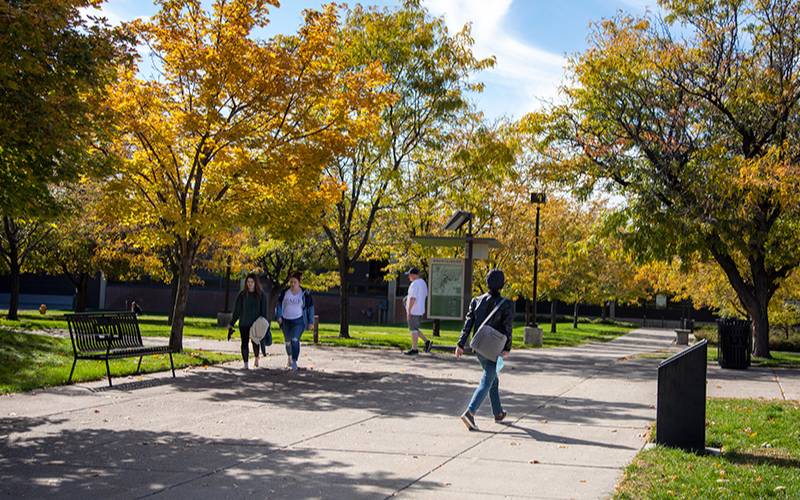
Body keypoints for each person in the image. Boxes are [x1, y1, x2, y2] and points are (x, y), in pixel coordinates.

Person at [456, 269, 514, 431]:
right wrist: (507, 348)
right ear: (502, 284)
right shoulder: (507, 304)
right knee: (487, 379)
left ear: (487, 282)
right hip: (495, 349)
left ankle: (498, 412)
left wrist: (461, 344)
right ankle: (470, 412)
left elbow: (468, 324)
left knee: (493, 379)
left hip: (479, 346)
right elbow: (508, 328)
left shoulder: (476, 301)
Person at [275, 272, 315, 373]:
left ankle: (294, 361)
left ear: (299, 282)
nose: (292, 284)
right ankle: (289, 356)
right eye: (291, 282)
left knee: (294, 339)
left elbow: (310, 308)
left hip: (299, 321)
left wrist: (311, 322)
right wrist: (278, 316)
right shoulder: (285, 293)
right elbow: (279, 305)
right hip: (286, 321)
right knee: (288, 341)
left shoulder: (305, 294)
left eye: (295, 282)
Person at [228, 273, 268, 370]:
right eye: (248, 282)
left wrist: (264, 325)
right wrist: (232, 323)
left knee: (255, 342)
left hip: (256, 324)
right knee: (244, 343)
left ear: (255, 283)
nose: (250, 284)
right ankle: (245, 364)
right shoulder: (242, 295)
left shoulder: (261, 295)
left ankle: (256, 357)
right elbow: (237, 310)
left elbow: (264, 312)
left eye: (252, 282)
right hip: (244, 323)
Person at [404, 267, 431, 355]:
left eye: (409, 275)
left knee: (413, 330)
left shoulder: (414, 284)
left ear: (413, 275)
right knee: (415, 328)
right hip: (420, 310)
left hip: (414, 310)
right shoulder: (423, 283)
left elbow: (413, 298)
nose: (409, 277)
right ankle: (427, 342)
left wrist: (408, 311)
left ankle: (414, 349)